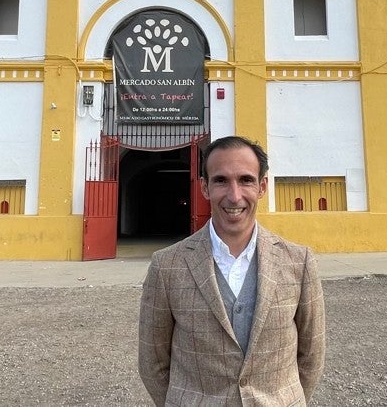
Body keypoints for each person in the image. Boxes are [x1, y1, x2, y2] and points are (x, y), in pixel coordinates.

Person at [138, 135, 326, 406]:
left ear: (262, 187)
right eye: (221, 180)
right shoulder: (167, 265)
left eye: (246, 180)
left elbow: (311, 355)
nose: (234, 196)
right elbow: (152, 363)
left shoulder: (299, 261)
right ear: (204, 187)